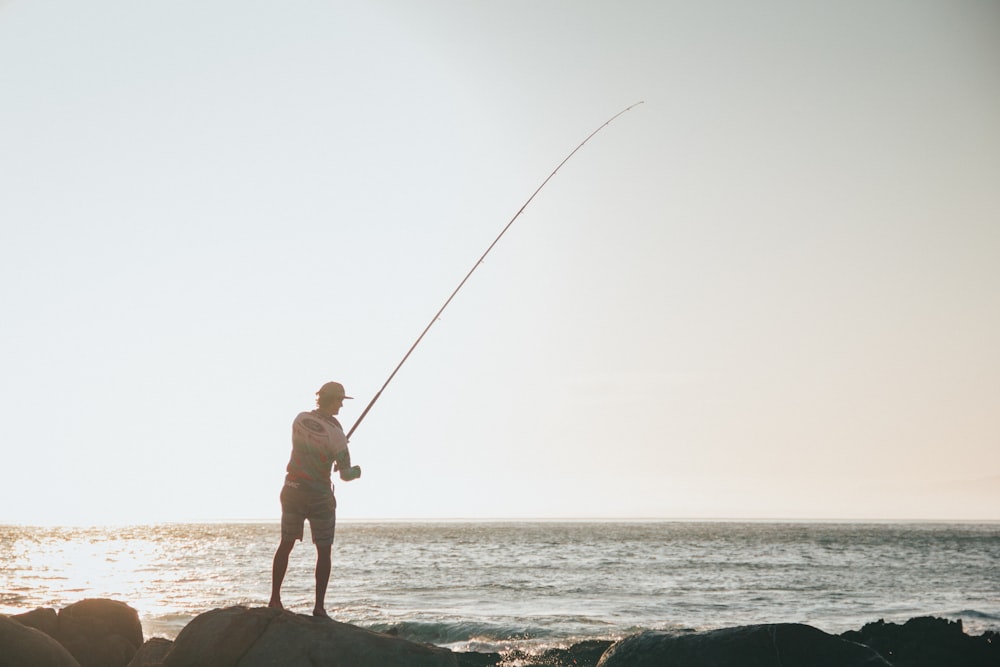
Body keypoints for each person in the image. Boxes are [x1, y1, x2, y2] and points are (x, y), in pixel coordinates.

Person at [269, 381, 361, 618]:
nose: (342, 404)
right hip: (318, 497)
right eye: (340, 400)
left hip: (292, 489)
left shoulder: (299, 419)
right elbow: (345, 475)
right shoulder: (337, 436)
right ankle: (319, 607)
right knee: (323, 551)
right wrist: (357, 470)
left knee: (285, 544)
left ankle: (274, 599)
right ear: (331, 400)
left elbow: (312, 444)